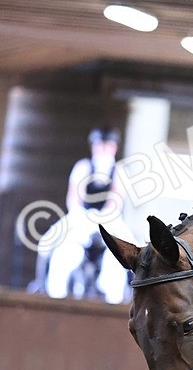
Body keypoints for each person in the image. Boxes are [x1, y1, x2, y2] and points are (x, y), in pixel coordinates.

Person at [43, 128, 131, 304]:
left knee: (132, 249)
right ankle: (43, 285)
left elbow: (115, 201)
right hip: (80, 217)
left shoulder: (120, 171)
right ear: (94, 147)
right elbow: (74, 197)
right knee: (46, 242)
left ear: (114, 148)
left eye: (108, 146)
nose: (104, 150)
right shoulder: (83, 167)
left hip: (109, 220)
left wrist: (102, 218)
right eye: (100, 146)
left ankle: (128, 293)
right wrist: (84, 216)